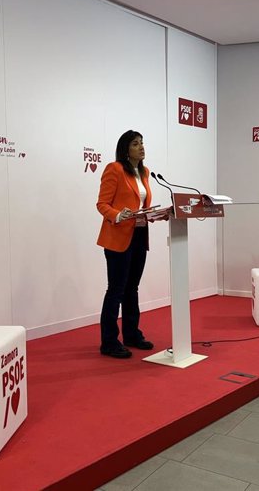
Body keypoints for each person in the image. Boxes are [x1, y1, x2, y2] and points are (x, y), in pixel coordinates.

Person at [96, 130, 155, 358]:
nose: (141, 147)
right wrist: (118, 215)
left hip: (140, 235)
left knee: (133, 288)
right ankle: (109, 342)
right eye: (135, 144)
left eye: (142, 143)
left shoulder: (145, 172)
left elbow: (142, 204)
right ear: (125, 148)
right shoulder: (115, 169)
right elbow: (102, 204)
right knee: (116, 289)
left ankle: (132, 334)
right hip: (118, 235)